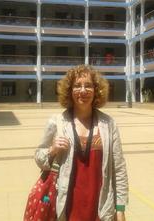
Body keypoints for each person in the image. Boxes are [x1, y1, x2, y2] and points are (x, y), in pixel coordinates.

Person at [35, 65, 128, 221]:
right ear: (69, 91)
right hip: (66, 208)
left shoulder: (108, 124)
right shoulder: (57, 122)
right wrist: (52, 150)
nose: (83, 90)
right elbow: (39, 158)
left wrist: (120, 208)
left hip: (101, 209)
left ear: (96, 90)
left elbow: (118, 169)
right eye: (77, 86)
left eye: (88, 85)